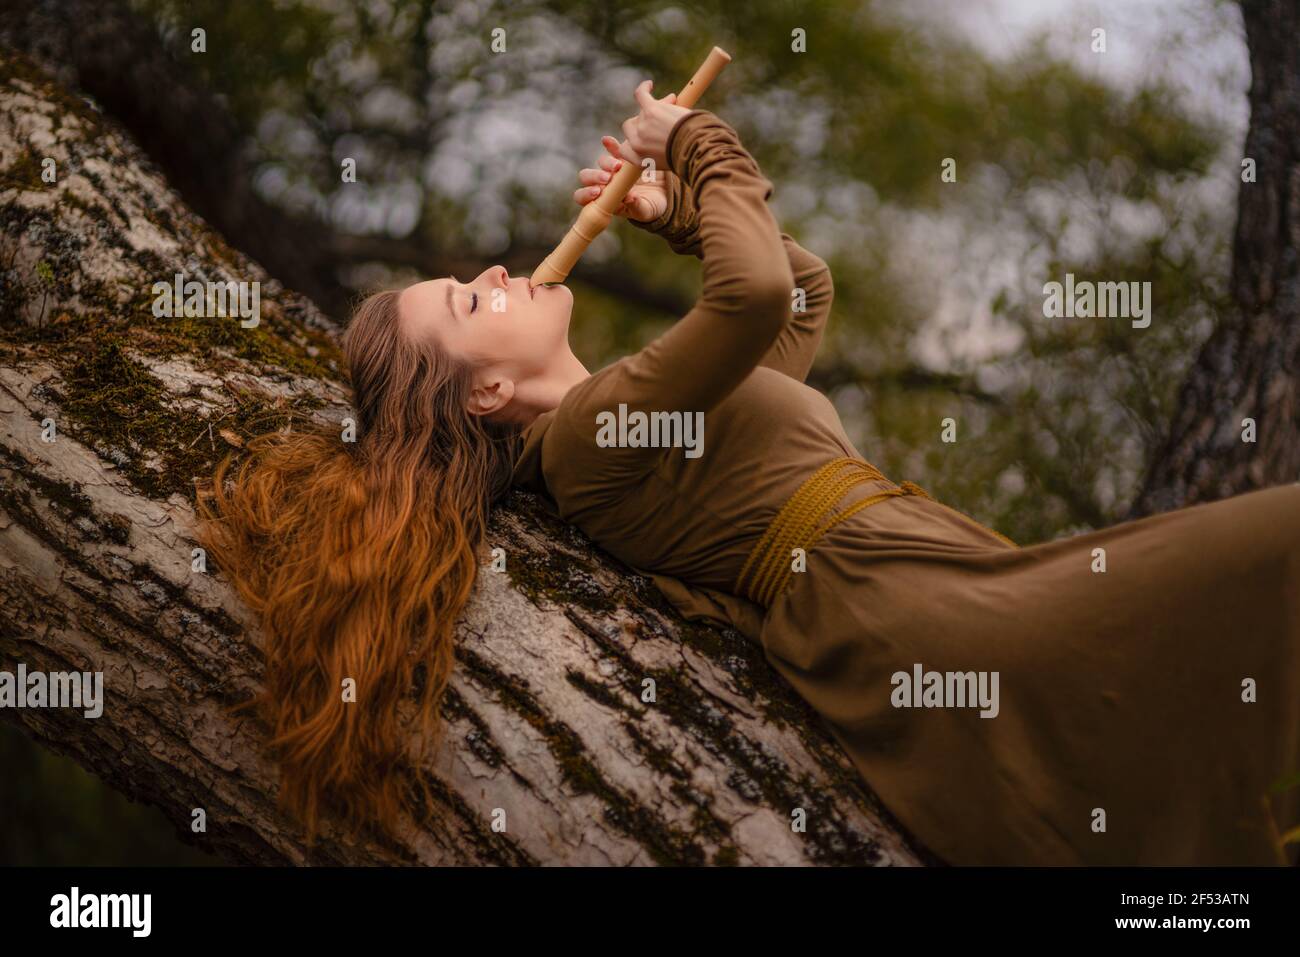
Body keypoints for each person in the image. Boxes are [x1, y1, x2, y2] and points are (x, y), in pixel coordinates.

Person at [200, 79, 1300, 865]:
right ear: (483, 396)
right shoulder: (587, 442)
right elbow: (756, 298)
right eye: (468, 301)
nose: (494, 270)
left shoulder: (640, 400)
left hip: (949, 583)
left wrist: (676, 216)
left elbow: (802, 294)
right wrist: (697, 146)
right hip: (923, 617)